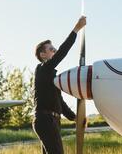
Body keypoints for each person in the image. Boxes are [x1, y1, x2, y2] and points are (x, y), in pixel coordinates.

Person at [33, 16, 87, 154]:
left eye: (54, 48)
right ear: (43, 54)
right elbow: (62, 52)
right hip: (46, 120)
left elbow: (60, 102)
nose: (55, 50)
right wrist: (76, 29)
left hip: (51, 121)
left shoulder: (50, 76)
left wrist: (75, 118)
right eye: (51, 49)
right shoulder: (43, 69)